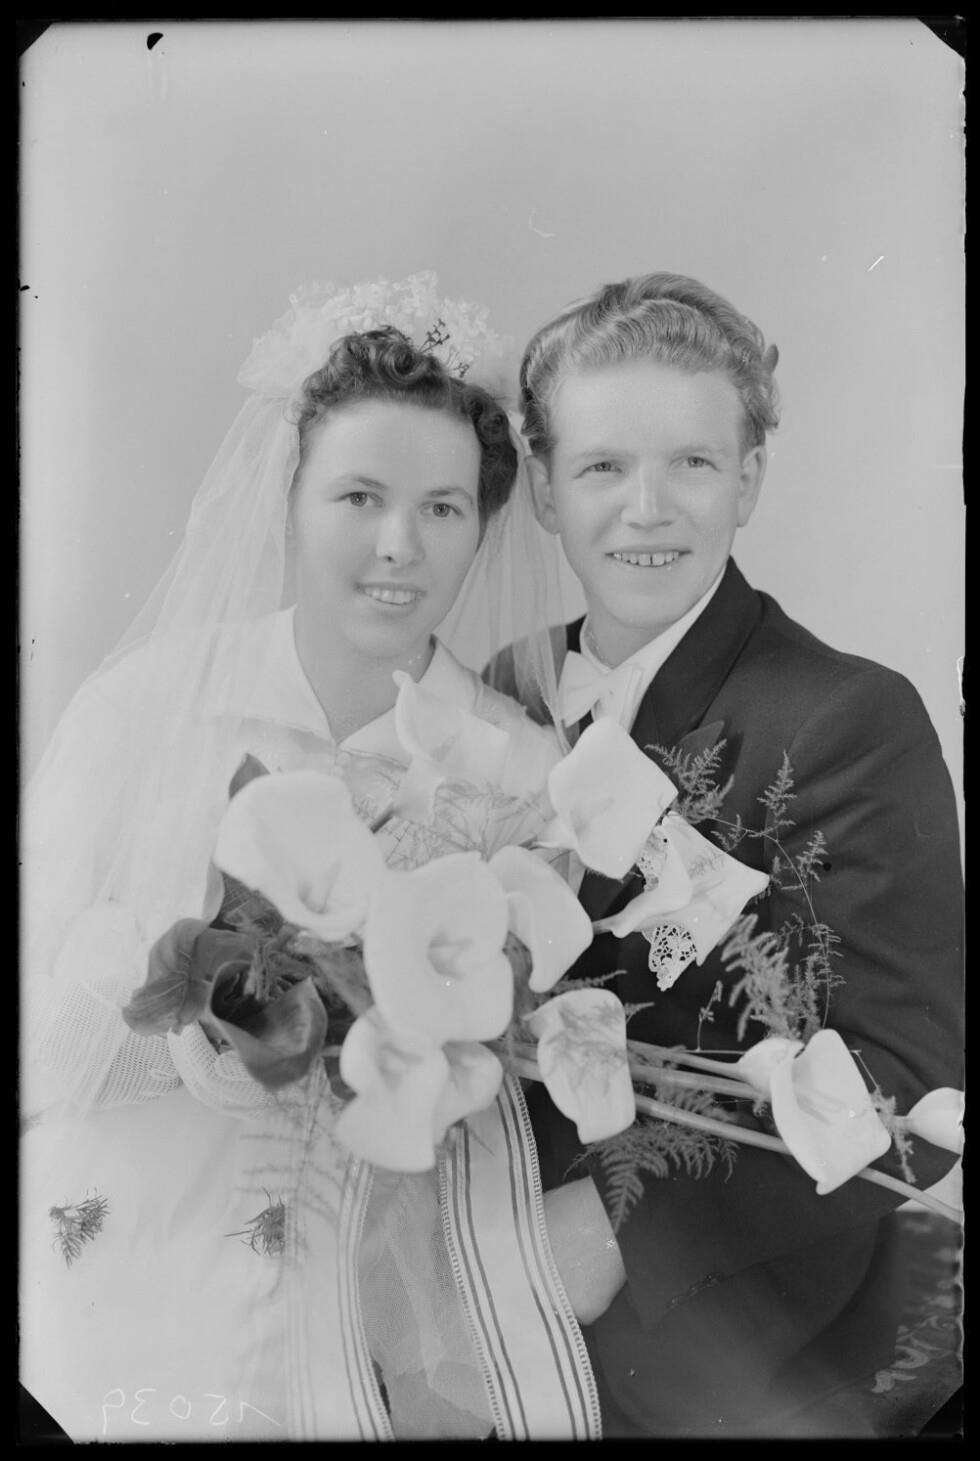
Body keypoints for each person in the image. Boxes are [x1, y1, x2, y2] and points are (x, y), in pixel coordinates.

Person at [19, 277, 600, 1442]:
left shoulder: (520, 771)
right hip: (119, 1254)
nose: (398, 548)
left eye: (442, 508)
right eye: (358, 496)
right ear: (289, 496)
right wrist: (180, 1032)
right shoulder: (144, 708)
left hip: (364, 1281)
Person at [488, 271, 964, 1437]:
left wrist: (607, 1230)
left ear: (746, 480)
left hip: (737, 1324)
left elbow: (905, 1071)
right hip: (484, 1269)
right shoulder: (500, 691)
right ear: (543, 488)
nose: (645, 508)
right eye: (601, 466)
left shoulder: (845, 716)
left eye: (691, 463)